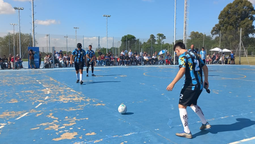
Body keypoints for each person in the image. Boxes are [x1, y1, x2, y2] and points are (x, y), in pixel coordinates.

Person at [166, 42, 211, 139]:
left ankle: (187, 131)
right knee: (192, 103)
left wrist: (172, 83)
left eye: (175, 52)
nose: (176, 54)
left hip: (190, 86)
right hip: (199, 85)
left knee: (182, 105)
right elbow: (205, 67)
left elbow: (182, 70)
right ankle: (205, 122)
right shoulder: (195, 54)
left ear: (177, 50)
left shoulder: (182, 56)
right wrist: (206, 80)